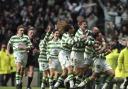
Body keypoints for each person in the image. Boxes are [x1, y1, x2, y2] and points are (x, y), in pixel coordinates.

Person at [7, 25, 32, 89]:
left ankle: (20, 82)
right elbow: (9, 44)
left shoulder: (26, 37)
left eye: (23, 30)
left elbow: (31, 46)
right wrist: (7, 51)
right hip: (17, 53)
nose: (22, 31)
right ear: (18, 31)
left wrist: (25, 47)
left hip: (24, 54)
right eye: (21, 30)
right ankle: (18, 84)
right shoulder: (13, 37)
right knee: (18, 68)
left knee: (22, 70)